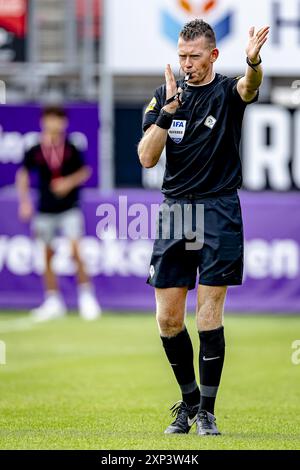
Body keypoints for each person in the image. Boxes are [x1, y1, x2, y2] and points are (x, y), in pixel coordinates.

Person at [138, 20, 269, 435]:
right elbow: (145, 158)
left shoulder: (227, 91)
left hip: (218, 210)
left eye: (194, 56)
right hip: (176, 211)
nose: (186, 64)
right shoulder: (164, 97)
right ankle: (190, 401)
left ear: (213, 55)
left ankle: (207, 411)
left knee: (209, 314)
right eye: (181, 56)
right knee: (168, 320)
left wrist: (253, 61)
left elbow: (250, 87)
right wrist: (167, 113)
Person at [16, 105, 101, 322]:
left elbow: (85, 171)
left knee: (75, 250)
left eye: (58, 119)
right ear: (43, 122)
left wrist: (67, 183)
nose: (54, 123)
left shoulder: (71, 146)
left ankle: (86, 297)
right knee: (46, 255)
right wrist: (24, 202)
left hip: (69, 208)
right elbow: (23, 175)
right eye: (50, 119)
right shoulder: (34, 149)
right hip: (45, 209)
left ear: (64, 123)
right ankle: (53, 300)